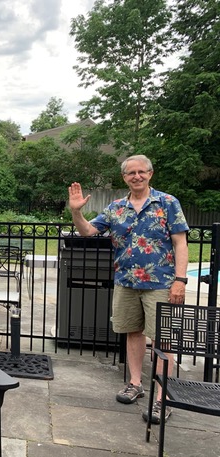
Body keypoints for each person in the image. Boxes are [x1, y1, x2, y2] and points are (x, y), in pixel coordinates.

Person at [68, 154, 189, 424]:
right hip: (126, 281)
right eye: (131, 173)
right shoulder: (116, 208)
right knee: (133, 332)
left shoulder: (167, 203)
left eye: (141, 172)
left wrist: (181, 280)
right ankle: (136, 383)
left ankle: (163, 397)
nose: (136, 176)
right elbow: (88, 231)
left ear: (150, 174)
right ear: (124, 177)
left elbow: (180, 243)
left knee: (162, 339)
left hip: (161, 283)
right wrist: (76, 211)